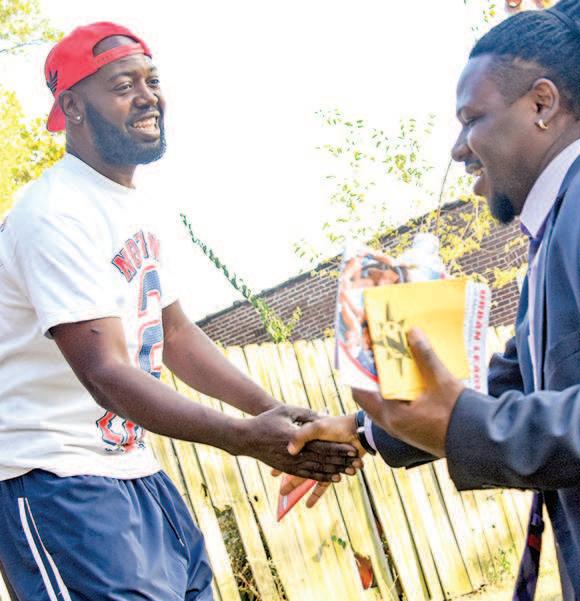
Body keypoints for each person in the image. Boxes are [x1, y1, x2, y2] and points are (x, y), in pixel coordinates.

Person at [285, 1, 580, 599]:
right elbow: (508, 384)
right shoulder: (557, 228)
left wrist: (473, 428)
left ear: (542, 104)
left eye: (471, 118)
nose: (458, 148)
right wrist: (366, 429)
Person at [0, 23, 359, 600]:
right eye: (123, 86)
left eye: (152, 80)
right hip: (55, 480)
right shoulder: (53, 213)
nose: (148, 97)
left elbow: (177, 335)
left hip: (134, 471)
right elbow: (105, 373)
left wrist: (276, 415)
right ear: (73, 107)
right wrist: (243, 437)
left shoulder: (139, 207)